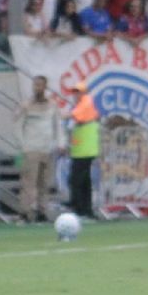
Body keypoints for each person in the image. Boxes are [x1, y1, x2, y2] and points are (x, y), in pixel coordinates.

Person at [16, 76, 63, 223]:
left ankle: (42, 211)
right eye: (35, 85)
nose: (37, 88)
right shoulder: (26, 105)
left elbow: (58, 125)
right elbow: (17, 126)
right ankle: (25, 212)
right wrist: (23, 145)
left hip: (47, 149)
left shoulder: (52, 105)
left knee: (44, 183)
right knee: (28, 183)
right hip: (31, 149)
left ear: (45, 87)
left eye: (40, 85)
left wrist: (60, 143)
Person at [66, 80, 99, 218]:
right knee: (83, 181)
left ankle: (79, 209)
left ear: (85, 93)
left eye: (78, 92)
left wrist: (57, 115)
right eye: (74, 92)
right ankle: (86, 209)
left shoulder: (87, 102)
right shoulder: (81, 105)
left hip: (85, 150)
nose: (76, 94)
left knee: (77, 180)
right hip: (81, 150)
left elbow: (72, 116)